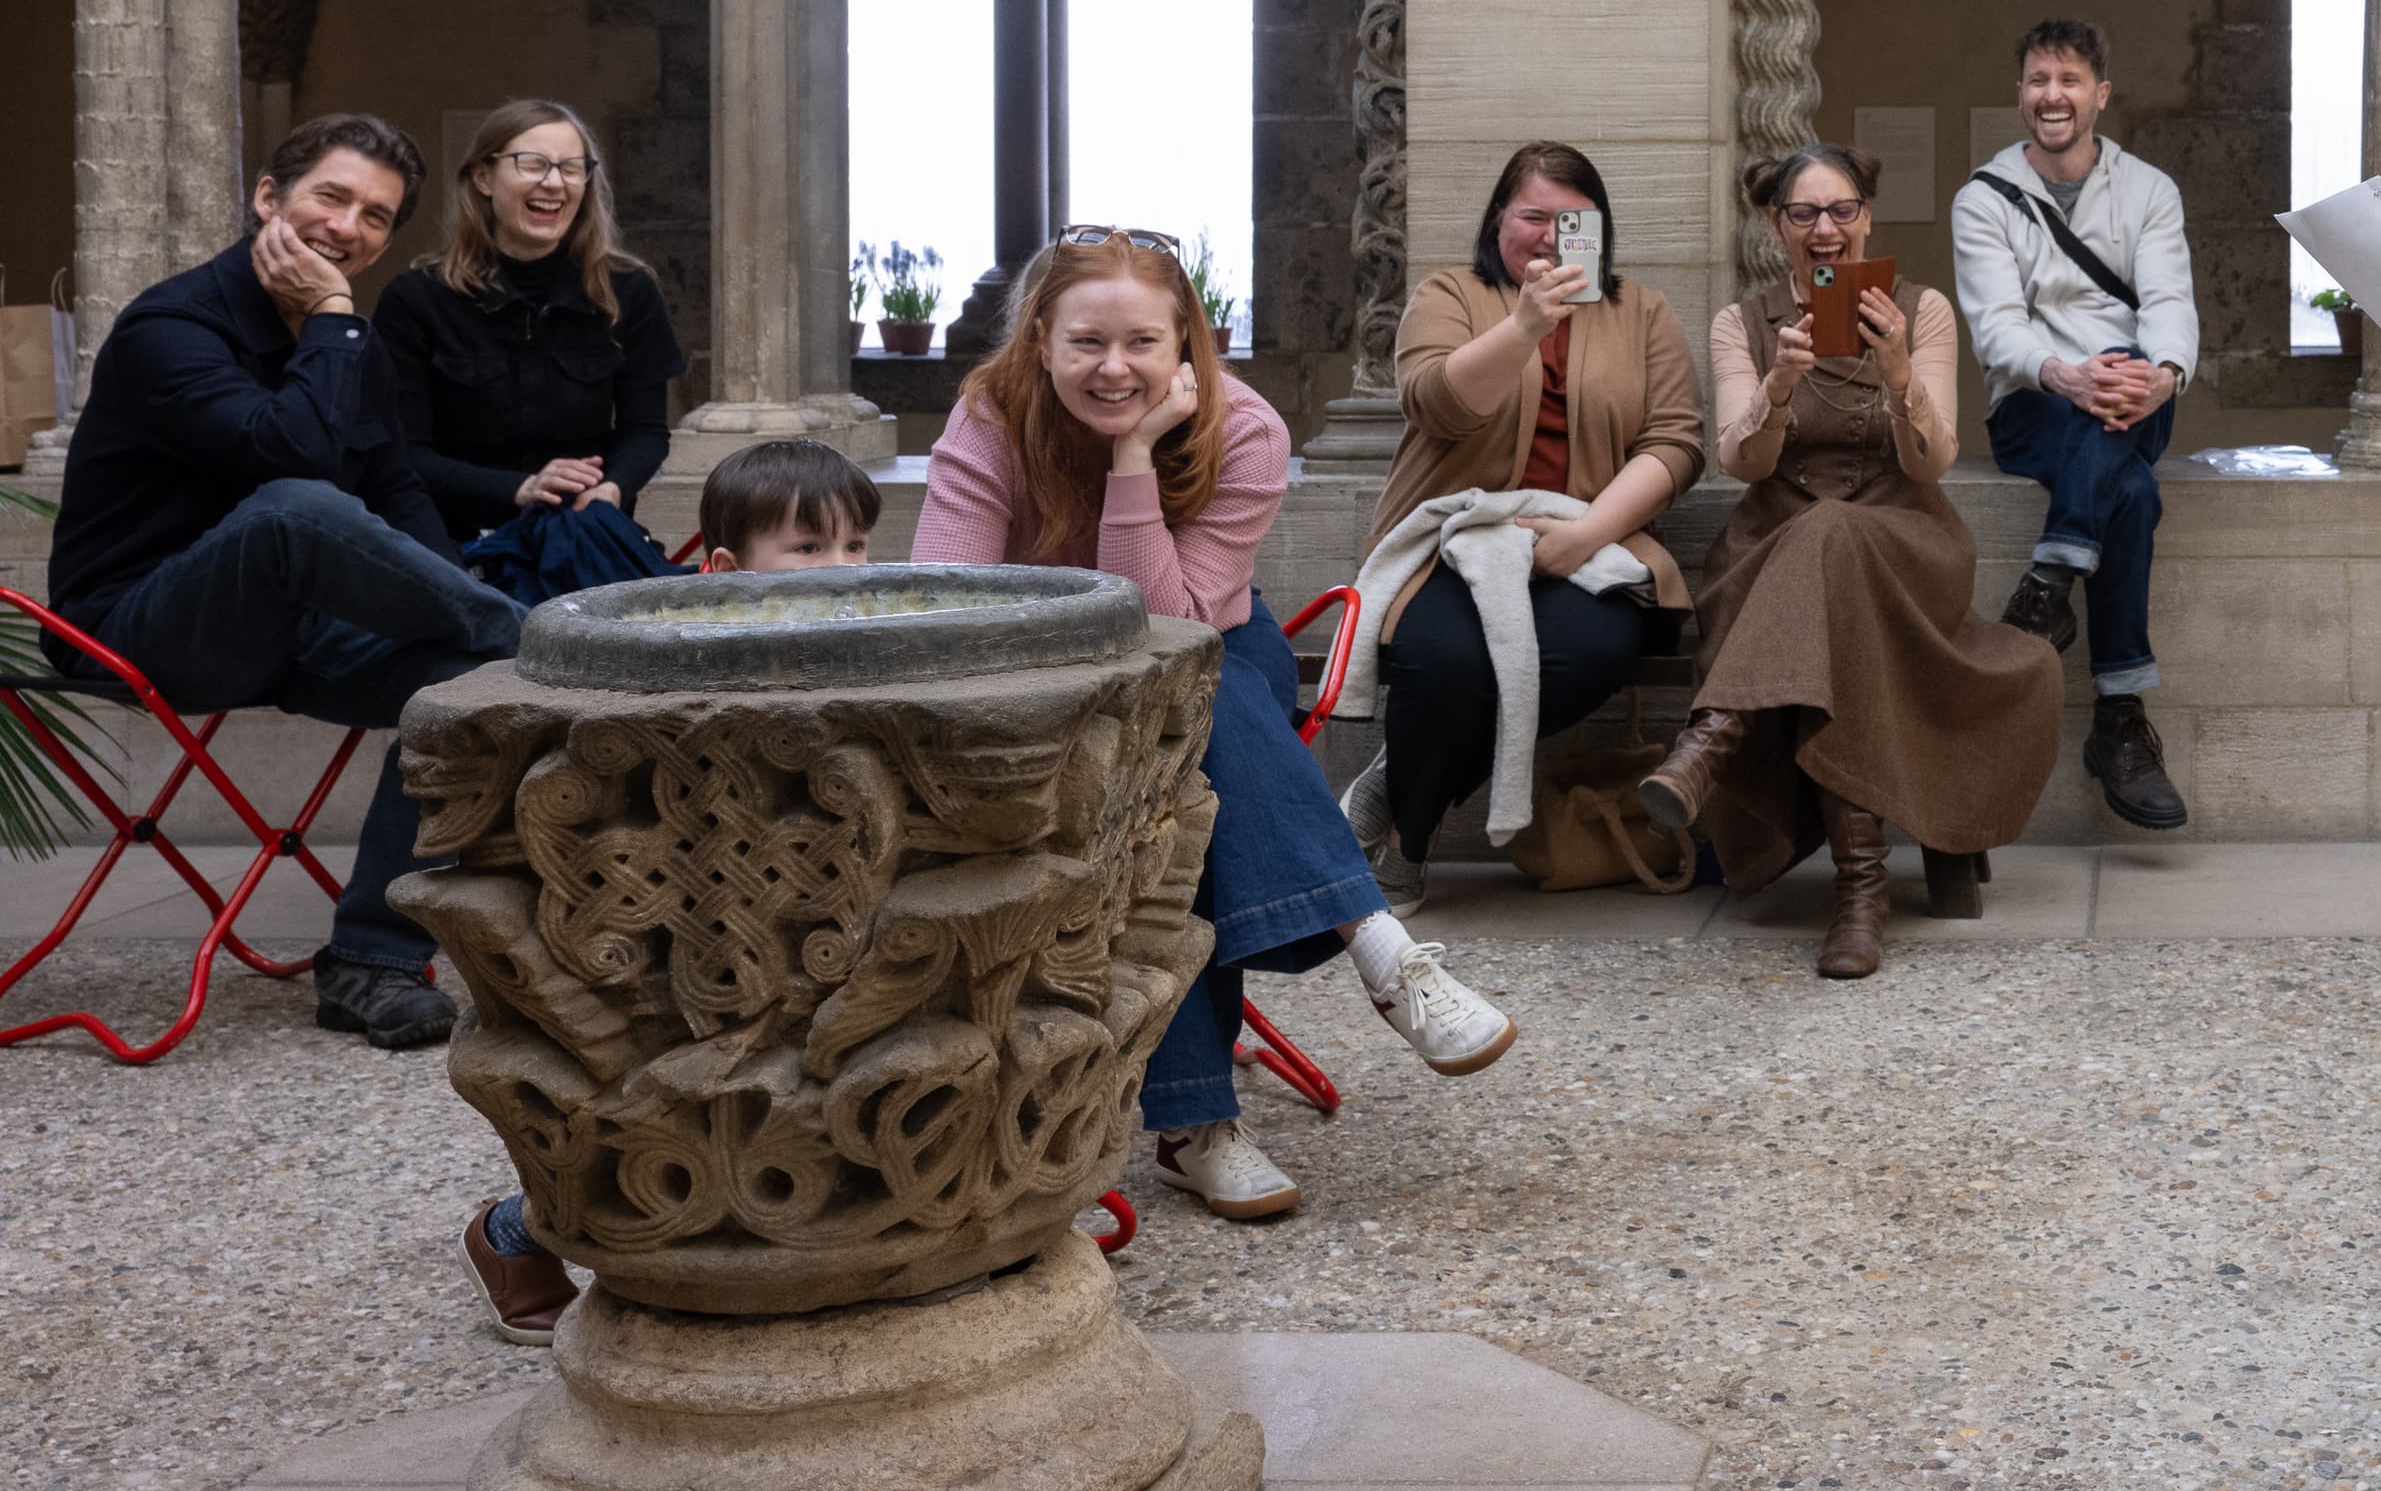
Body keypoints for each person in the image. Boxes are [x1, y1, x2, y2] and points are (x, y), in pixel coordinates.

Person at [914, 229, 1514, 1225]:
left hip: (1214, 645)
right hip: (1038, 672)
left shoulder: (1244, 430)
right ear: (1039, 341)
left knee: (1192, 723)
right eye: (1088, 343)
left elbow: (1175, 626)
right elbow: (949, 598)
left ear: (1189, 342)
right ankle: (1363, 955)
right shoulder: (991, 416)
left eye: (1144, 342)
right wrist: (1126, 452)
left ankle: (1214, 1111)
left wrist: (1133, 462)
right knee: (1181, 808)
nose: (1116, 367)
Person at [45, 112, 523, 1051]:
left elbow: (392, 487)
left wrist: (473, 612)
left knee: (483, 680)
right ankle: (544, 634)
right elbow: (288, 456)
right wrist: (335, 321)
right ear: (269, 199)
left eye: (377, 217)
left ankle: (372, 962)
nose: (350, 229)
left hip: (288, 633)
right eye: (331, 197)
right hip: (136, 626)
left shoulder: (350, 346)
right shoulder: (170, 327)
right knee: (296, 509)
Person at [458, 437, 877, 1345]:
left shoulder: (868, 655)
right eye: (806, 551)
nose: (838, 572)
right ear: (726, 571)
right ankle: (511, 1231)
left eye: (854, 548)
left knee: (808, 1096)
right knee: (661, 1107)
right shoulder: (677, 667)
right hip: (688, 935)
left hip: (820, 925)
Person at [1636, 143, 2060, 980]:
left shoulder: (1922, 309)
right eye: (1804, 214)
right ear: (1776, 226)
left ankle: (1713, 741)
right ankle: (1860, 897)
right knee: (1831, 576)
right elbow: (1740, 465)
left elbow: (1933, 462)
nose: (1824, 229)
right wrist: (1779, 385)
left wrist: (1899, 365)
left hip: (1904, 540)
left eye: (1841, 211)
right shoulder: (1742, 323)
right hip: (1768, 553)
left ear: (1867, 216)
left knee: (1838, 536)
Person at [1345, 143, 1706, 910]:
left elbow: (1675, 442)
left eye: (1571, 221)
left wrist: (1585, 535)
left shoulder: (1641, 311)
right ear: (1498, 220)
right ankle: (1409, 846)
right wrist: (1522, 328)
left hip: (1590, 540)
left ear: (1600, 230)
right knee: (1445, 666)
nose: (1549, 236)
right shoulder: (1449, 294)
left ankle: (1396, 793)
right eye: (1532, 216)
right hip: (1452, 540)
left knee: (1589, 654)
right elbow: (1434, 404)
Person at [1950, 16, 2196, 828]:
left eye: (2068, 80)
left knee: (2119, 409)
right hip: (2035, 404)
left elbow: (2166, 303)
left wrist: (2160, 378)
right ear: (2020, 94)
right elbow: (1998, 328)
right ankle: (2120, 719)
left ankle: (2048, 584)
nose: (2051, 96)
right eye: (2037, 81)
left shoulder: (2149, 190)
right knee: (2131, 494)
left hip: (2134, 394)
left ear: (2100, 94)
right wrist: (2067, 375)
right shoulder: (1983, 200)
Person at [375, 99, 687, 552]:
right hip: (454, 543)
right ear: (483, 177)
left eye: (572, 168)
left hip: (582, 538)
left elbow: (646, 431)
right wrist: (522, 488)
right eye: (533, 164)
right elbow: (406, 454)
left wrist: (612, 489)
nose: (554, 182)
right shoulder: (415, 300)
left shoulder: (630, 291)